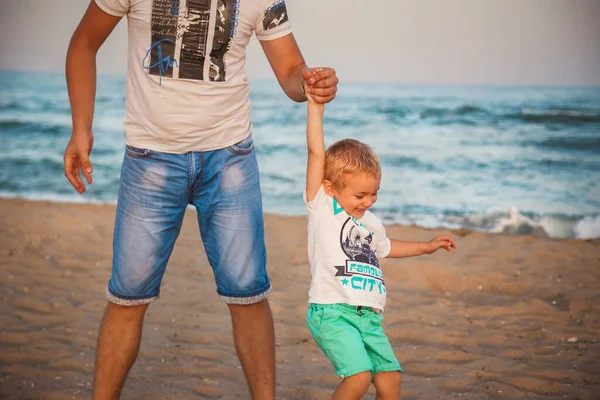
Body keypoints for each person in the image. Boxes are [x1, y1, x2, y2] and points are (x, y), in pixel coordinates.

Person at [63, 1, 338, 399]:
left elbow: (291, 70)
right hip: (149, 159)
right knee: (127, 294)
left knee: (248, 293)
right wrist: (80, 129)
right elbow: (83, 43)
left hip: (230, 159)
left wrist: (310, 82)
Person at [303, 72, 456, 400]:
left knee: (389, 380)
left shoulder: (370, 221)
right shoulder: (323, 206)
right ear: (331, 188)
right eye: (360, 196)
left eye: (374, 194)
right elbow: (317, 153)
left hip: (368, 315)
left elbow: (387, 248)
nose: (368, 202)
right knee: (358, 378)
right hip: (333, 311)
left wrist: (426, 247)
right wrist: (316, 108)